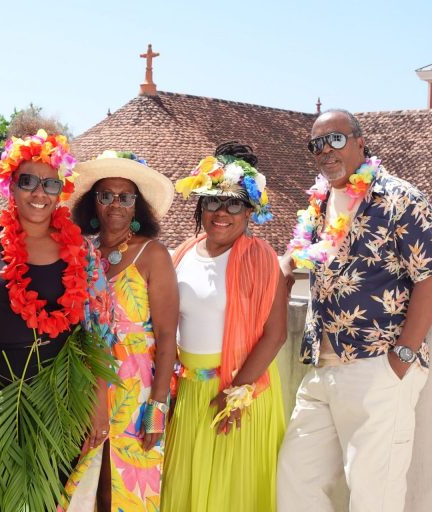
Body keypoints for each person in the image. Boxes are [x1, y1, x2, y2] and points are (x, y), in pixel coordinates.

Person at [277, 109, 432, 512]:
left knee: (375, 494)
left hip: (379, 362)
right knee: (295, 478)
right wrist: (283, 266)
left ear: (359, 142)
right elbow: (301, 258)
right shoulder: (319, 203)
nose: (325, 150)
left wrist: (401, 359)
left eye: (335, 139)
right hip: (323, 364)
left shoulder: (399, 197)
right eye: (316, 144)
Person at [0, 129, 117, 512]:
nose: (40, 193)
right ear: (10, 184)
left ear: (62, 189)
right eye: (28, 181)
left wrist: (100, 401)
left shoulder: (82, 252)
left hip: (59, 395)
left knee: (48, 502)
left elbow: (102, 330)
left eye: (50, 183)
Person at [161, 142, 288, 511]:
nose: (222, 213)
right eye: (213, 202)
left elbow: (276, 333)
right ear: (200, 207)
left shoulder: (261, 257)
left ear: (249, 211)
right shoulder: (182, 253)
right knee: (185, 490)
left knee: (233, 496)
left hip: (241, 391)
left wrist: (236, 394)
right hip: (189, 392)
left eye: (234, 204)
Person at [60, 151, 179, 511]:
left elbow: (167, 336)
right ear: (92, 203)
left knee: (121, 485)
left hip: (135, 387)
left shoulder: (153, 254)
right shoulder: (82, 252)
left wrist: (156, 409)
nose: (115, 204)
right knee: (87, 483)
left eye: (125, 197)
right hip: (85, 381)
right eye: (105, 195)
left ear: (136, 206)